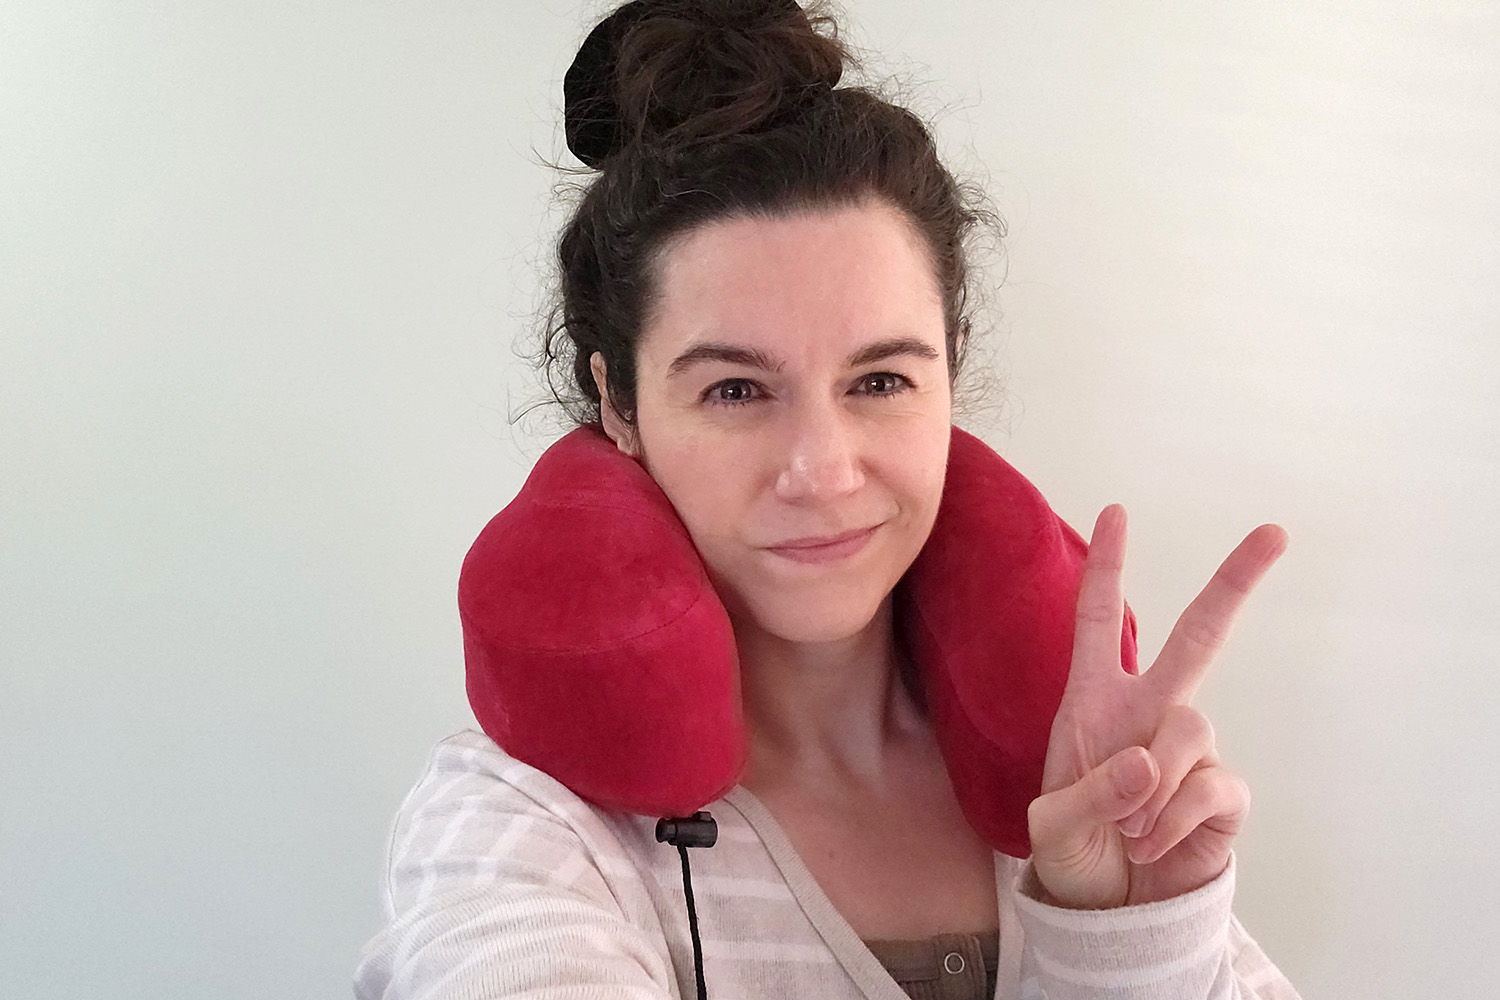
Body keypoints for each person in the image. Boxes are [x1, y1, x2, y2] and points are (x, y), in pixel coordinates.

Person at [353, 2, 1303, 998]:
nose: (822, 469)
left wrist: (1125, 937)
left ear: (952, 371)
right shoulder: (520, 824)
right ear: (617, 401)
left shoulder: (1086, 790)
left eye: (881, 381)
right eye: (734, 390)